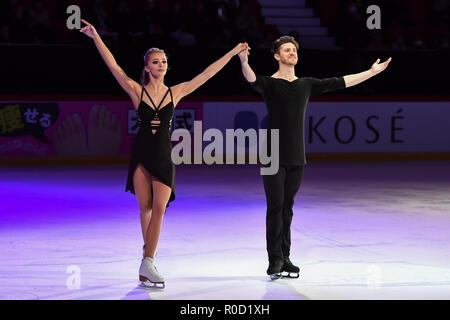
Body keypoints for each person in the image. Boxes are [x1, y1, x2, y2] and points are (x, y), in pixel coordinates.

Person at [79, 19, 248, 288]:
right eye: (156, 62)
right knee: (145, 209)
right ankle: (148, 263)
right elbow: (114, 66)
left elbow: (205, 75)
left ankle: (148, 260)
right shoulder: (137, 91)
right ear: (147, 67)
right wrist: (96, 36)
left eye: (164, 61)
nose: (161, 65)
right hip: (141, 155)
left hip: (164, 156)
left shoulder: (175, 92)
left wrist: (232, 52)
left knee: (159, 210)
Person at [238, 36, 391, 279]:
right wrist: (244, 61)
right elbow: (251, 79)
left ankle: (285, 257)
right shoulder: (270, 84)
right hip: (272, 155)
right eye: (287, 50)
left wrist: (371, 73)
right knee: (275, 206)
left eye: (294, 50)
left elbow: (341, 82)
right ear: (277, 56)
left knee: (287, 208)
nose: (292, 53)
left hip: (297, 155)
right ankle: (274, 259)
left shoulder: (306, 84)